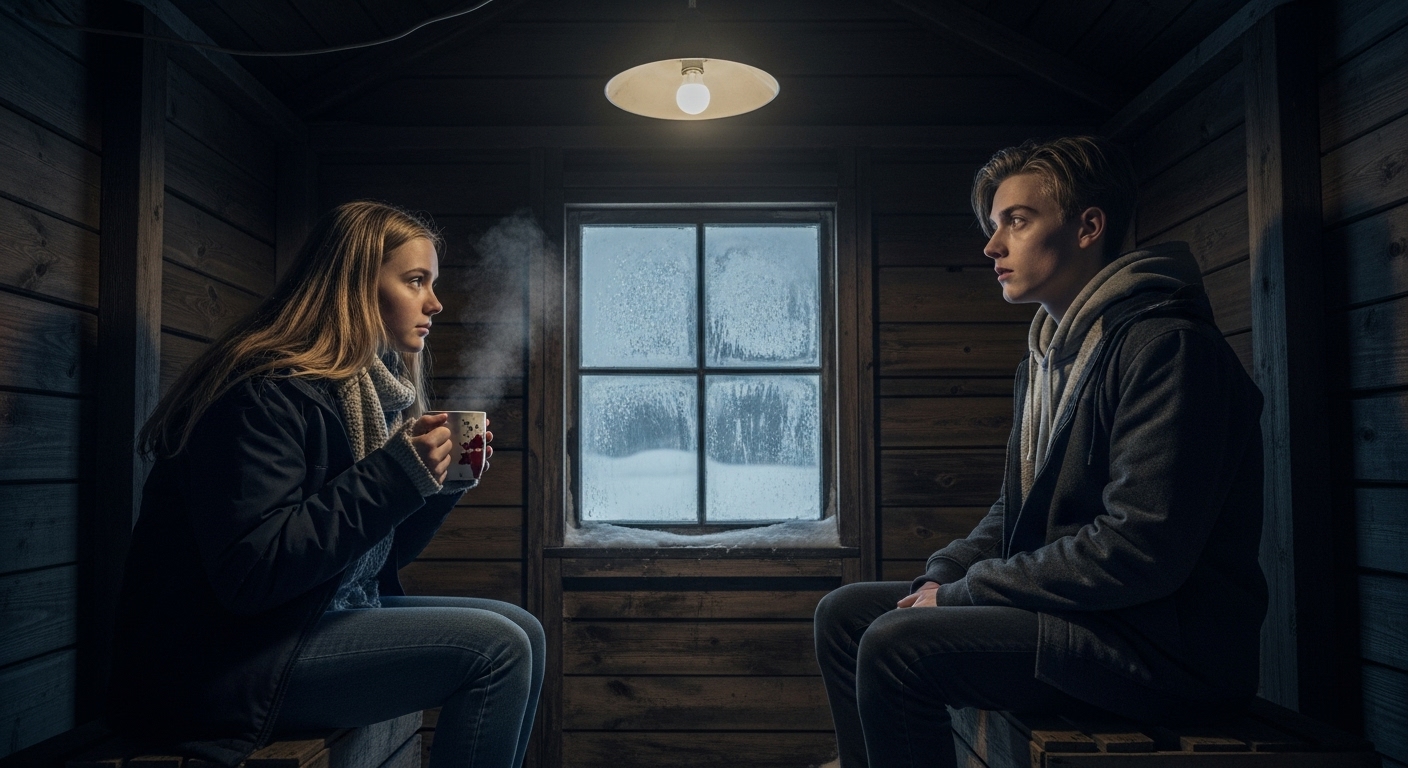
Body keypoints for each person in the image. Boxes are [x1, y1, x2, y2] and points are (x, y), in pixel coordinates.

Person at [814, 137, 1267, 768]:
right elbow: (1014, 511)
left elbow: (1140, 549)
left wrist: (967, 594)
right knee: (845, 615)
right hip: (1085, 618)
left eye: (1017, 221)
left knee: (897, 646)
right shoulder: (1049, 358)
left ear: (1088, 227)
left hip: (1162, 648)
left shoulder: (1168, 349)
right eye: (993, 225)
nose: (992, 246)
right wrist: (945, 574)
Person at [107, 201, 544, 768]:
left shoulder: (365, 391)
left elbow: (370, 556)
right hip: (226, 662)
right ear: (356, 286)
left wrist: (436, 486)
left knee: (525, 629)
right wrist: (397, 474)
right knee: (499, 650)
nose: (435, 303)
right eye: (416, 281)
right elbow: (254, 572)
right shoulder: (263, 390)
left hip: (306, 621)